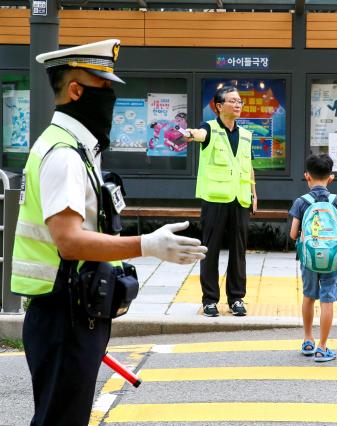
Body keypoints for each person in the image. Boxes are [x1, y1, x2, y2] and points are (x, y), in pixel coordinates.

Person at [11, 39, 207, 426]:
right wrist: (147, 245)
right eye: (104, 89)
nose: (112, 98)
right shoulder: (64, 155)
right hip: (63, 313)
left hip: (70, 310)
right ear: (75, 91)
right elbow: (68, 242)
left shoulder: (76, 148)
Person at [186, 86, 257, 317]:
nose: (238, 105)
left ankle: (236, 298)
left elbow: (248, 167)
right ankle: (210, 300)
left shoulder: (246, 135)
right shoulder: (210, 128)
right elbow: (199, 135)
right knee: (210, 250)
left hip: (240, 198)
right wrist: (189, 134)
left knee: (239, 251)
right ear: (219, 106)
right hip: (215, 199)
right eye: (233, 101)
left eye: (240, 102)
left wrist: (254, 193)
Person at [289, 154, 337, 362]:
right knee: (327, 300)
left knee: (308, 296)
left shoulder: (302, 202)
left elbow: (292, 233)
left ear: (307, 176)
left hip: (308, 259)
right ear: (330, 178)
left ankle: (308, 339)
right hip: (332, 260)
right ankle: (322, 347)